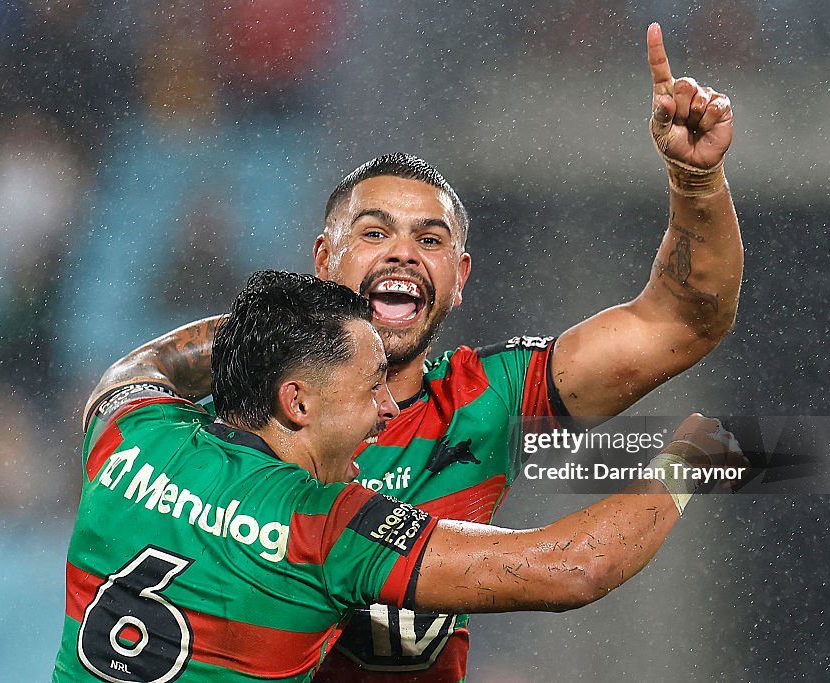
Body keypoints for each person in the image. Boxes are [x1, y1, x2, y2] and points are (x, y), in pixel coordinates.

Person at [133, 22, 743, 681]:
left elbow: (683, 320)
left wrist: (696, 180)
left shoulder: (491, 399)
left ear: (460, 279)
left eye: (430, 239)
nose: (401, 251)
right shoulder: (236, 397)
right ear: (322, 260)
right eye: (374, 231)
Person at [53, 270, 746, 682]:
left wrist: (280, 330)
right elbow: (574, 567)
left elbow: (145, 364)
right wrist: (687, 465)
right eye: (369, 387)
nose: (388, 409)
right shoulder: (327, 528)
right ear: (297, 402)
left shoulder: (128, 436)